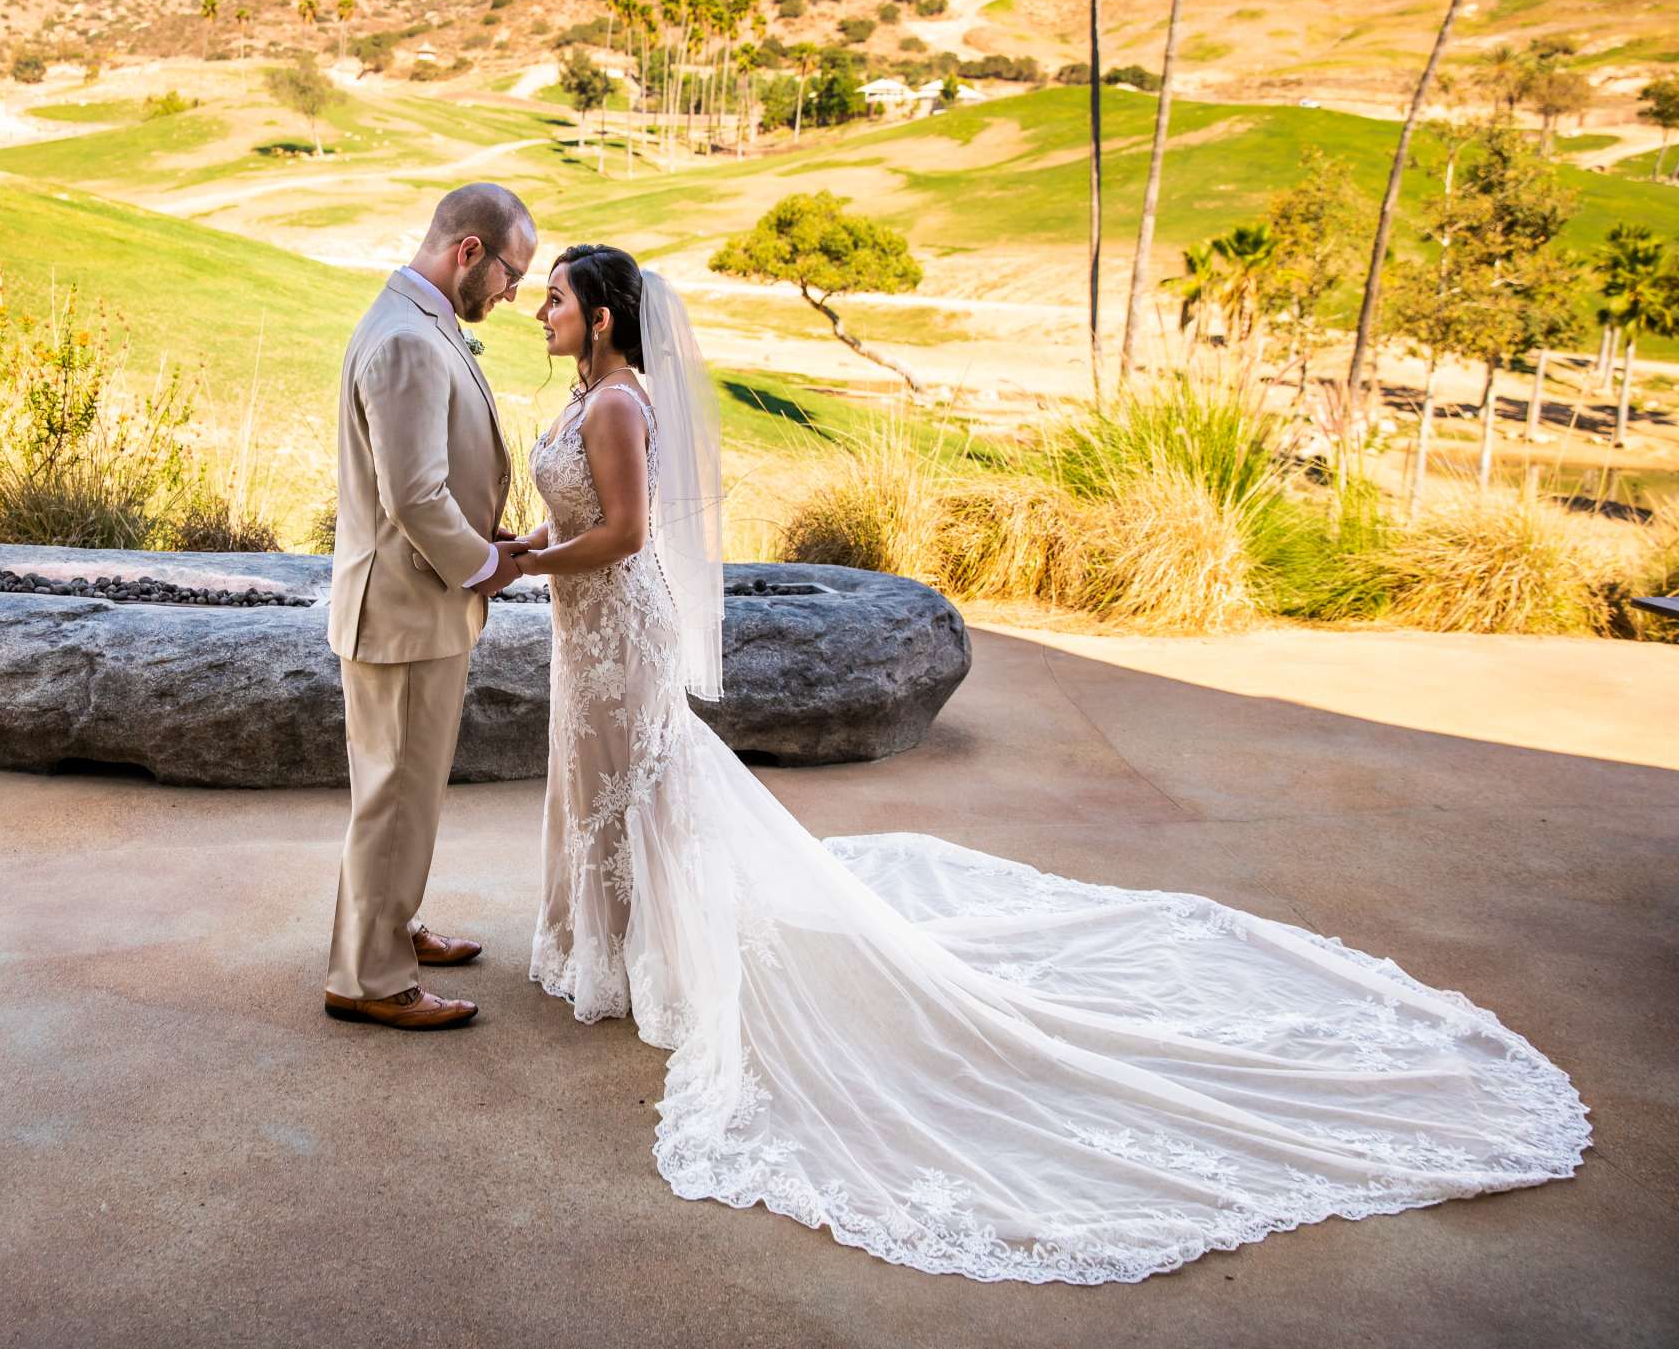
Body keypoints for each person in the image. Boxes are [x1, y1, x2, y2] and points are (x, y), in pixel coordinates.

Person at [493, 241, 1590, 1284]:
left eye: (556, 300)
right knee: (600, 783)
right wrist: (532, 554)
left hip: (616, 626)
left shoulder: (624, 402)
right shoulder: (585, 399)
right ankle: (607, 942)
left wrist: (530, 560)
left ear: (600, 319)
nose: (541, 313)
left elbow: (630, 533)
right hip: (588, 631)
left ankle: (641, 953)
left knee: (636, 781)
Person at [320, 183, 535, 1030]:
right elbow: (413, 496)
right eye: (512, 274)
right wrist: (484, 563)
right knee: (393, 794)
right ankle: (370, 979)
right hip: (404, 610)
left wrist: (487, 531)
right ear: (470, 253)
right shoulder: (407, 340)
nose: (515, 294)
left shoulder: (422, 322)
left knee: (408, 788)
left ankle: (392, 929)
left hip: (418, 602)